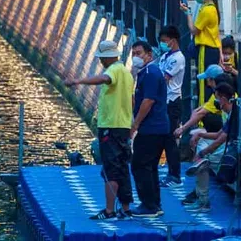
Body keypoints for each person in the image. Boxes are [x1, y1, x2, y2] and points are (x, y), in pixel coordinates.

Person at [64, 39, 135, 221]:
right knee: (122, 167)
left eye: (102, 58)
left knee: (110, 169)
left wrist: (78, 81)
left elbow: (104, 78)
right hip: (123, 126)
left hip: (111, 127)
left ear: (109, 57)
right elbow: (131, 99)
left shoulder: (113, 70)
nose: (101, 61)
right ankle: (125, 208)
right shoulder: (127, 73)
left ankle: (109, 211)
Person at [176, 83, 239, 211]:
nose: (216, 103)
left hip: (234, 154)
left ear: (223, 99)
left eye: (217, 99)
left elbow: (219, 141)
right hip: (230, 149)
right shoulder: (232, 113)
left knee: (202, 162)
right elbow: (218, 134)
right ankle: (199, 193)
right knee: (202, 151)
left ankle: (202, 201)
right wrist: (200, 134)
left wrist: (201, 154)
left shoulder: (236, 114)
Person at [128, 40, 168, 218]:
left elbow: (148, 101)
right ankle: (154, 203)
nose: (135, 57)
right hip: (155, 127)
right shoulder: (145, 73)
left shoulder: (151, 73)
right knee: (150, 166)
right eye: (133, 54)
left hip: (151, 128)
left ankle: (149, 205)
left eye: (139, 53)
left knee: (140, 164)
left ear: (149, 55)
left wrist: (135, 124)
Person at [181, 0, 221, 106]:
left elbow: (194, 30)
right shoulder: (212, 8)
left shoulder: (206, 10)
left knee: (204, 83)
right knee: (210, 81)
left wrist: (188, 14)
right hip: (213, 49)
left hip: (206, 49)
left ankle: (203, 112)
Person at [157, 26, 186, 187]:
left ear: (173, 41)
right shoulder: (164, 57)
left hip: (172, 102)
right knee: (163, 137)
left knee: (170, 139)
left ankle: (175, 175)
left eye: (164, 41)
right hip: (163, 102)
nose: (162, 44)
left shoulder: (178, 58)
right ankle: (169, 171)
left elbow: (164, 78)